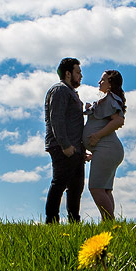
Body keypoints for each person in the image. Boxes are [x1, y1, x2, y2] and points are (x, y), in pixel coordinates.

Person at [44, 57, 86, 223]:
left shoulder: (71, 92)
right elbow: (57, 118)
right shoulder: (60, 90)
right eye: (78, 72)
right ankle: (51, 222)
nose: (81, 76)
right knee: (59, 183)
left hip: (76, 149)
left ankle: (74, 223)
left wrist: (81, 149)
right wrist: (65, 145)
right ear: (68, 74)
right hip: (63, 147)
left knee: (76, 188)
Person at [84, 69, 126, 220]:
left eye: (102, 80)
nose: (99, 83)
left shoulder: (110, 99)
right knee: (106, 189)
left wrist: (96, 136)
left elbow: (119, 120)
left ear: (110, 84)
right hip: (106, 150)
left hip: (107, 149)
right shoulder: (107, 100)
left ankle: (109, 222)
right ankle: (109, 224)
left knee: (96, 188)